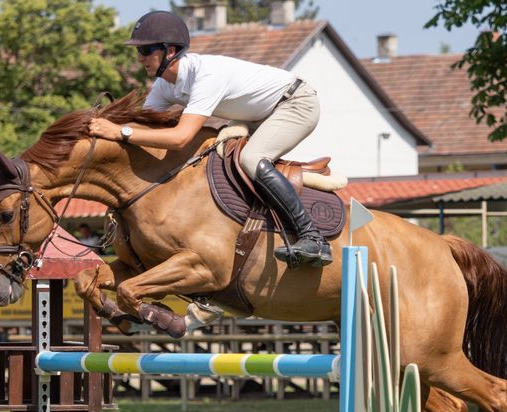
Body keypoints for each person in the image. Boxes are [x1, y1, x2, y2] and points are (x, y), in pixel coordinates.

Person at [88, 10, 332, 268]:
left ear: (170, 51)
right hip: (256, 115)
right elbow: (142, 128)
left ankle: (313, 238)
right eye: (138, 51)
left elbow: (181, 137)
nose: (139, 58)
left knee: (251, 159)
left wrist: (120, 132)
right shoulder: (163, 85)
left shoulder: (206, 75)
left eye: (146, 50)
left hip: (296, 103)